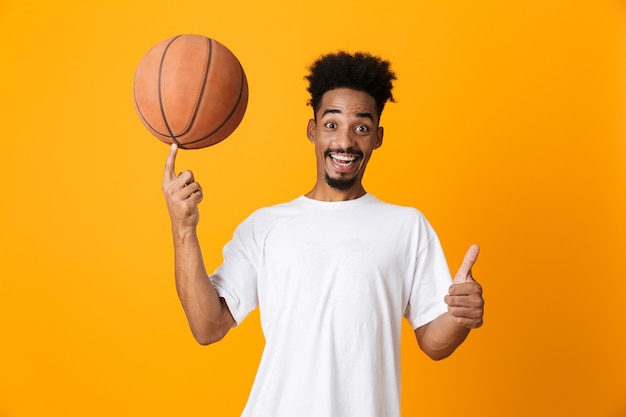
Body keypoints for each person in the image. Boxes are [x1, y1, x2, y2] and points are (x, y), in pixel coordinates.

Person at [162, 51, 484, 417]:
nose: (344, 141)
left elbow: (433, 343)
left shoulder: (407, 227)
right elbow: (208, 327)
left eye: (361, 127)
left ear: (377, 137)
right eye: (332, 124)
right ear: (312, 130)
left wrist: (460, 317)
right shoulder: (266, 226)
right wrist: (183, 228)